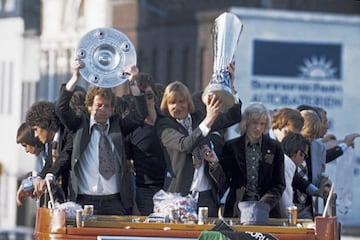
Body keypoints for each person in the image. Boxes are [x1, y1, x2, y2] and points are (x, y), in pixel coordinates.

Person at [55, 58, 147, 215]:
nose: (103, 110)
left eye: (107, 106)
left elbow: (140, 114)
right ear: (89, 106)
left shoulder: (118, 125)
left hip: (115, 202)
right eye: (98, 105)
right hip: (84, 201)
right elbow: (61, 108)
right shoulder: (79, 124)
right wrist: (75, 76)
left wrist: (132, 82)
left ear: (112, 109)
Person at [156, 62, 241, 217]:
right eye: (172, 102)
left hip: (206, 196)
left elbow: (233, 117)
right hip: (179, 197)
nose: (177, 106)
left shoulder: (198, 118)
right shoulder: (165, 126)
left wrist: (231, 86)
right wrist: (209, 119)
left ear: (188, 103)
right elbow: (185, 145)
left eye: (181, 101)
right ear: (166, 105)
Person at [220, 102, 285, 218]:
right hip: (237, 209)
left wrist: (263, 205)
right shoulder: (231, 147)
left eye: (262, 124)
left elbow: (279, 184)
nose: (258, 128)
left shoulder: (275, 147)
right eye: (254, 123)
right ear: (246, 123)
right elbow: (223, 180)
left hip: (268, 211)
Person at [124, 73, 167, 216]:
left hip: (170, 187)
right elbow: (126, 167)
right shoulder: (133, 128)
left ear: (154, 97)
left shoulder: (167, 122)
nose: (146, 101)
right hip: (145, 190)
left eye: (149, 96)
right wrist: (133, 203)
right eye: (141, 98)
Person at [21, 101, 73, 206]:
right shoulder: (50, 142)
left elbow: (64, 157)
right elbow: (49, 164)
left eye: (36, 129)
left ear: (45, 123)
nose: (35, 135)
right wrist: (39, 179)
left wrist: (50, 176)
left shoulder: (68, 133)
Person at [293, 109, 330, 219]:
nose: (310, 140)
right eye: (307, 135)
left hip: (307, 208)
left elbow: (320, 175)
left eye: (314, 137)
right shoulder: (288, 145)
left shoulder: (319, 148)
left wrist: (324, 184)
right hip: (288, 206)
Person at [279, 132, 310, 218]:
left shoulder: (280, 160)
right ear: (299, 153)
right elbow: (286, 202)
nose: (303, 160)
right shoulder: (287, 165)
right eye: (305, 156)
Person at [16, 122, 45, 206]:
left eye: (25, 145)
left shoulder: (46, 155)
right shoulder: (39, 158)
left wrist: (26, 184)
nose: (26, 150)